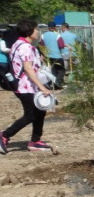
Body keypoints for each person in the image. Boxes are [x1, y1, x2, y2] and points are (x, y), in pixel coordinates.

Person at [1, 20, 55, 154]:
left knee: (40, 111)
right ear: (29, 31)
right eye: (36, 29)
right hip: (25, 87)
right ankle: (5, 135)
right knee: (30, 115)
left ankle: (36, 140)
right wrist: (42, 87)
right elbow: (28, 69)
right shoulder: (25, 47)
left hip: (25, 86)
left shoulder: (18, 44)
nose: (37, 32)